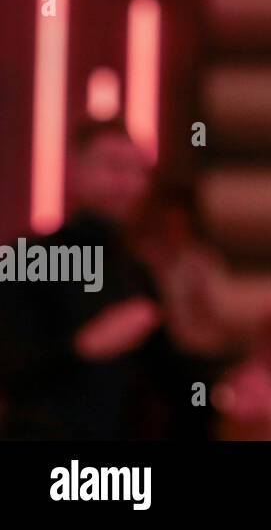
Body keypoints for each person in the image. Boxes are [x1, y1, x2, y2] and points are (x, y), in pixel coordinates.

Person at [0, 120, 207, 439]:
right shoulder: (27, 258)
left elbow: (174, 382)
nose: (126, 183)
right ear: (74, 169)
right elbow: (14, 372)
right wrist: (86, 345)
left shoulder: (135, 272)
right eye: (113, 166)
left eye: (137, 171)